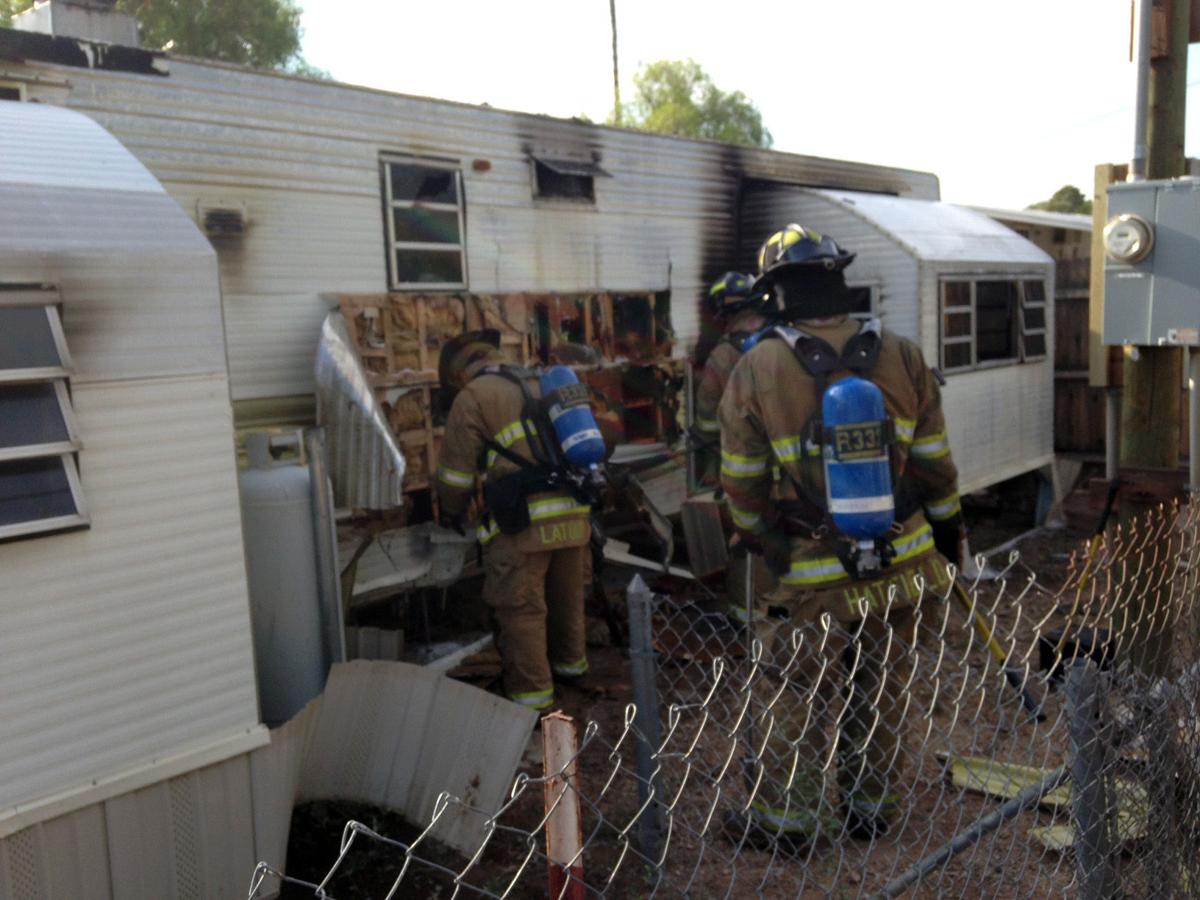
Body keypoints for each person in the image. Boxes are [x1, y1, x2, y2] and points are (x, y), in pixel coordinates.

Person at [718, 224, 964, 846]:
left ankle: (790, 824)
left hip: (811, 574)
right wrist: (950, 532)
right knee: (881, 691)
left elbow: (742, 481)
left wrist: (760, 541)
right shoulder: (902, 353)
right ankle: (870, 811)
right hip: (902, 563)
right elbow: (935, 461)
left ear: (775, 293)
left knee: (796, 696)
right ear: (840, 279)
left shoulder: (758, 366)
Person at [435, 331, 594, 712]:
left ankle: (532, 702)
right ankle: (571, 669)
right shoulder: (543, 381)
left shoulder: (473, 396)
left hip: (522, 523)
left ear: (460, 374)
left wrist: (452, 509)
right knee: (566, 598)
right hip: (574, 513)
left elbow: (455, 476)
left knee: (521, 609)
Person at [693, 271, 767, 487]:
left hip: (749, 459)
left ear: (721, 312)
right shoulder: (784, 338)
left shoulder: (723, 355)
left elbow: (708, 418)